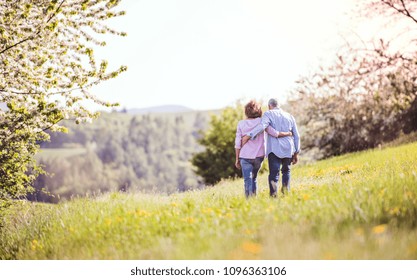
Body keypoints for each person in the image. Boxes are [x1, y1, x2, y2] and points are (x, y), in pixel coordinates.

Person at [242, 98, 300, 197]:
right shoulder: (290, 116)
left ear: (269, 106)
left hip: (274, 149)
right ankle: (286, 193)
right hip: (288, 148)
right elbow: (297, 135)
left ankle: (273, 195)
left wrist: (249, 135)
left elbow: (262, 126)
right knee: (286, 171)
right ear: (278, 105)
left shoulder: (268, 114)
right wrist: (296, 152)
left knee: (274, 173)